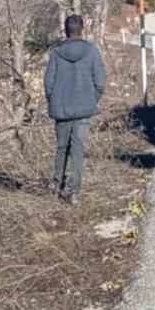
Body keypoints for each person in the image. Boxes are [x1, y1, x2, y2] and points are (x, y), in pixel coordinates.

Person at [44, 14, 107, 204]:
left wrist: (53, 100)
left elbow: (48, 83)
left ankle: (57, 184)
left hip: (61, 108)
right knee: (77, 149)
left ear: (65, 30)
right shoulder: (92, 51)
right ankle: (73, 191)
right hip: (83, 109)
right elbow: (100, 82)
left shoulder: (56, 53)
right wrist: (91, 100)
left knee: (62, 147)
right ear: (82, 29)